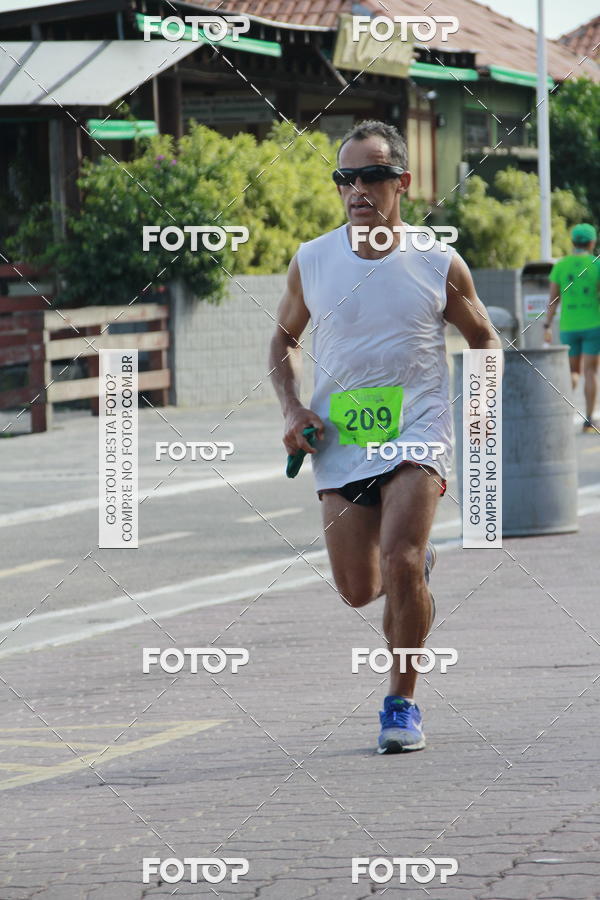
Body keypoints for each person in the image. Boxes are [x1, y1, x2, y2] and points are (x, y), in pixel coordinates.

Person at [269, 120, 501, 753]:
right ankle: (415, 572)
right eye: (346, 177)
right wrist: (292, 409)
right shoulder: (313, 259)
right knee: (358, 590)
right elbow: (281, 341)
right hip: (341, 437)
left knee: (398, 559)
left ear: (402, 182)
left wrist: (478, 415)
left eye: (371, 175)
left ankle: (401, 704)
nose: (357, 188)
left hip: (416, 431)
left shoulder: (435, 261)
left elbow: (483, 338)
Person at [545, 223, 600, 433]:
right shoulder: (596, 264)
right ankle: (588, 420)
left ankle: (561, 416)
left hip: (568, 325)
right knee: (591, 371)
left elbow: (553, 300)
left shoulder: (561, 265)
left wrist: (547, 325)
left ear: (573, 242)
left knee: (573, 372)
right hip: (594, 324)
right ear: (592, 243)